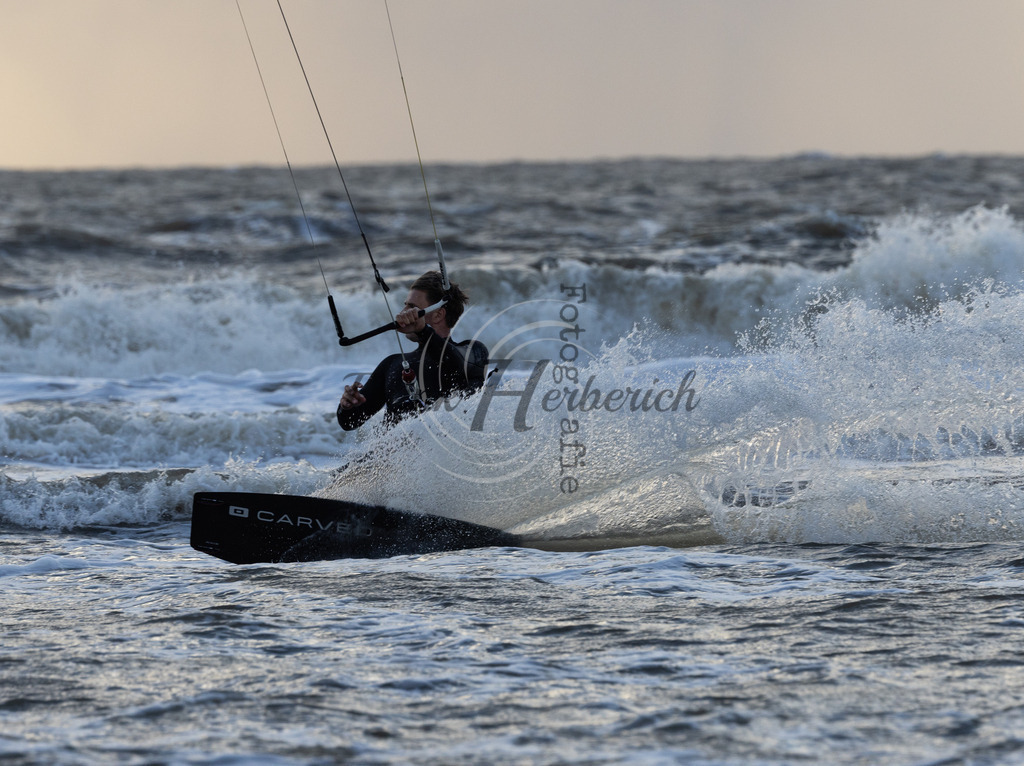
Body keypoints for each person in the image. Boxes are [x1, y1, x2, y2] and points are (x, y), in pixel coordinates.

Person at [337, 271, 488, 431]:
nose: (402, 312)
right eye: (405, 305)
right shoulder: (392, 364)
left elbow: (455, 363)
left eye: (412, 307)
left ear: (438, 314)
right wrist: (347, 406)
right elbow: (350, 422)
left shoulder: (472, 352)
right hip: (392, 454)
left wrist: (423, 330)